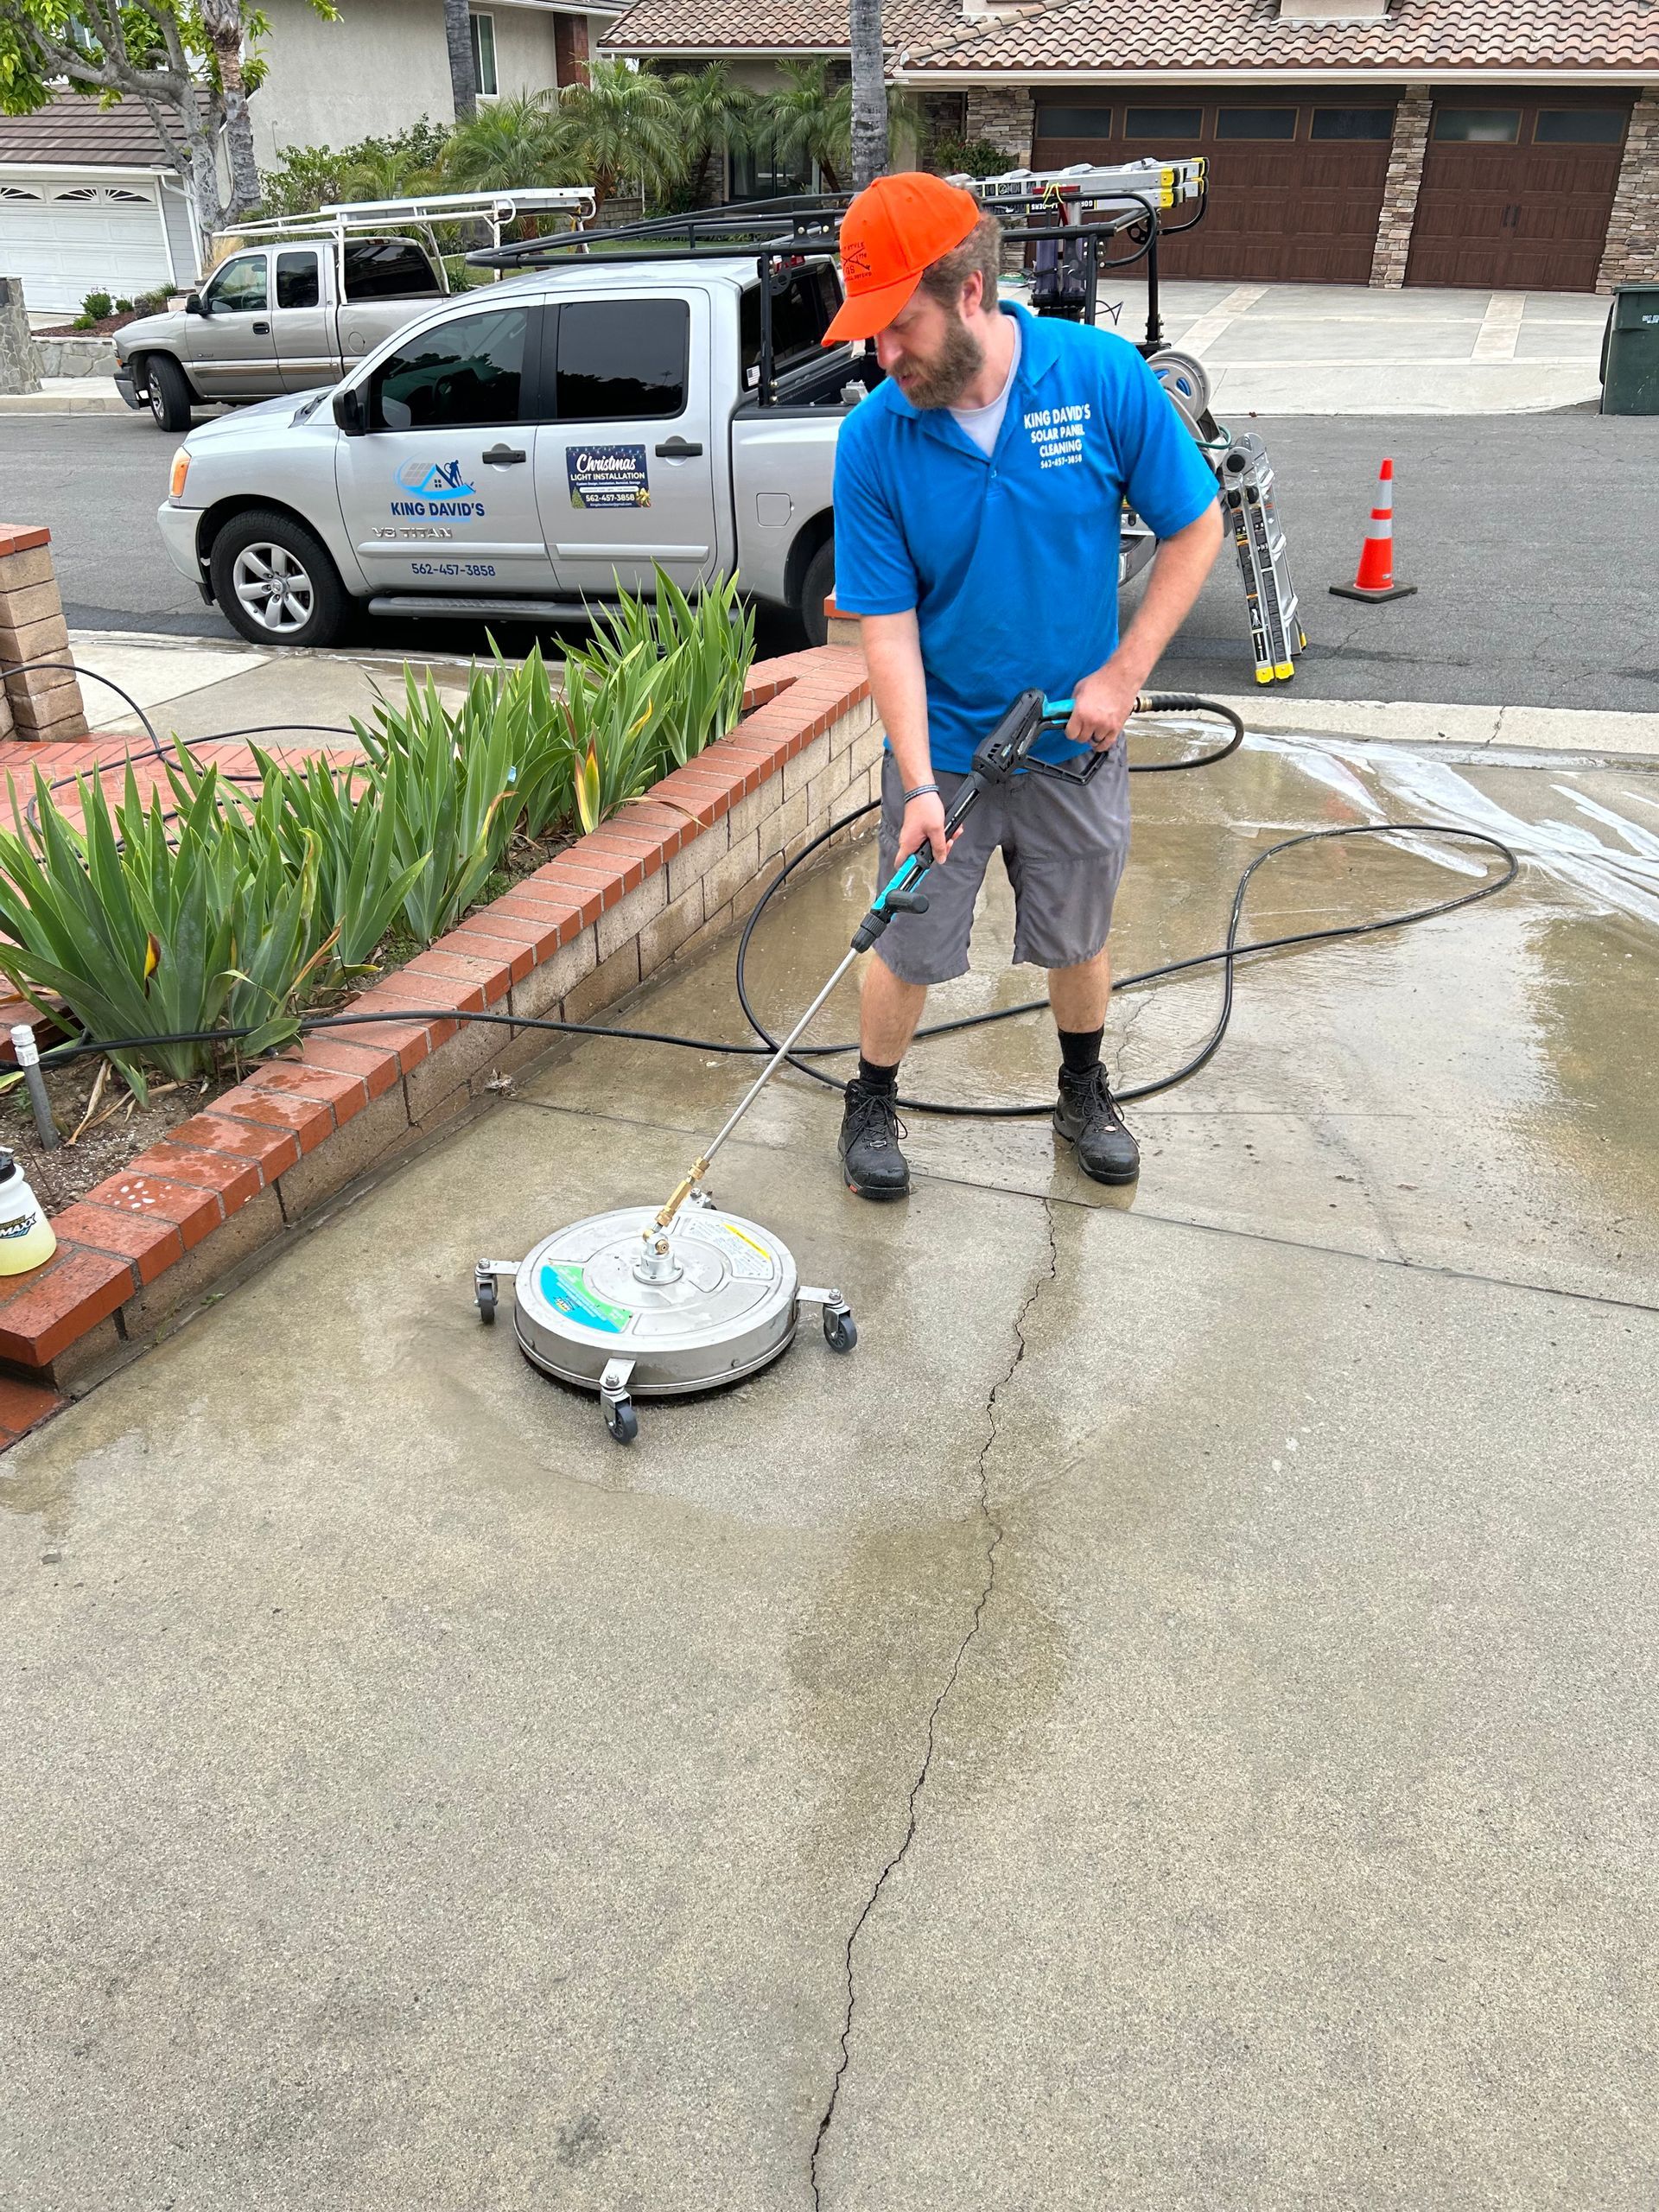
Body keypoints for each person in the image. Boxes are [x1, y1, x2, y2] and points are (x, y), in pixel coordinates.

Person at [825, 172, 1224, 1198]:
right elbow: (889, 624)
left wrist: (1124, 673)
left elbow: (1196, 524)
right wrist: (917, 783)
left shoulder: (1097, 377)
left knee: (1077, 931)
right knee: (907, 941)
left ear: (968, 294)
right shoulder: (875, 436)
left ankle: (1082, 1089)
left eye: (897, 327)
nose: (883, 353)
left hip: (1072, 743)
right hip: (948, 747)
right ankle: (871, 1097)